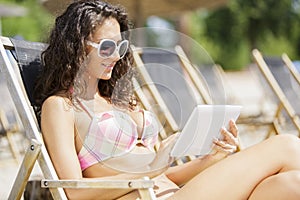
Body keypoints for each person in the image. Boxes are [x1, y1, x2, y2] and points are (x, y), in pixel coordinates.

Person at [34, 0, 300, 199]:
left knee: (290, 185)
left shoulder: (119, 100)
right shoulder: (61, 107)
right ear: (76, 46)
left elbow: (164, 174)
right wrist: (151, 167)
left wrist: (212, 159)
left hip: (175, 192)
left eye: (121, 46)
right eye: (107, 46)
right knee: (286, 145)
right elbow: (71, 192)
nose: (116, 56)